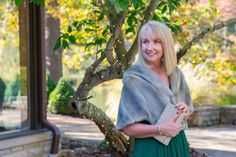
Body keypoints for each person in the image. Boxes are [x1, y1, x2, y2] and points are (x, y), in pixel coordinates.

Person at [116, 20, 194, 157]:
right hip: (150, 148)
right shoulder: (134, 79)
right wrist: (160, 129)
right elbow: (127, 127)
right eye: (145, 41)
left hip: (178, 144)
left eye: (156, 42)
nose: (149, 47)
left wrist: (184, 111)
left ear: (166, 45)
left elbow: (188, 110)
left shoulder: (175, 73)